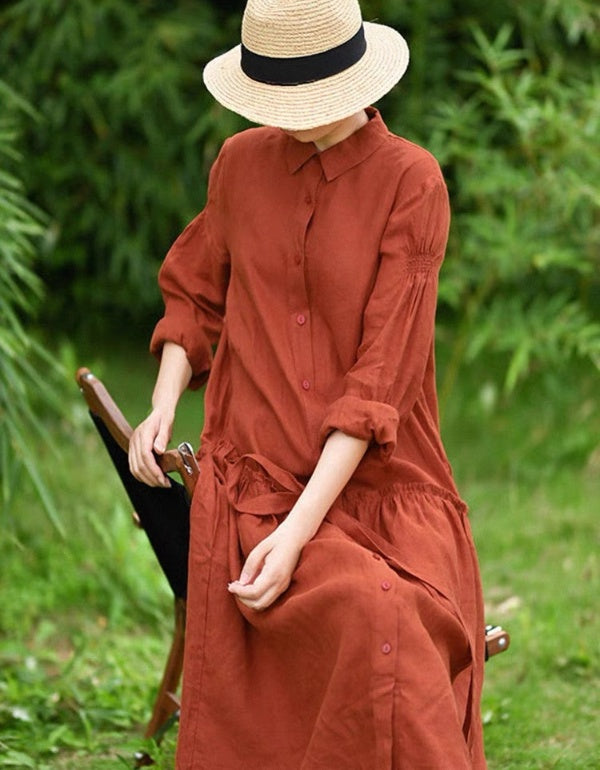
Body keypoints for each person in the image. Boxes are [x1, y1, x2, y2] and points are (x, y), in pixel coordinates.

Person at [129, 0, 487, 767]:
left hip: (383, 485)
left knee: (391, 612)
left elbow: (376, 388)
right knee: (365, 610)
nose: (286, 119)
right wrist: (162, 404)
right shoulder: (240, 162)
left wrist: (300, 536)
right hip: (254, 479)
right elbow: (196, 293)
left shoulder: (412, 182)